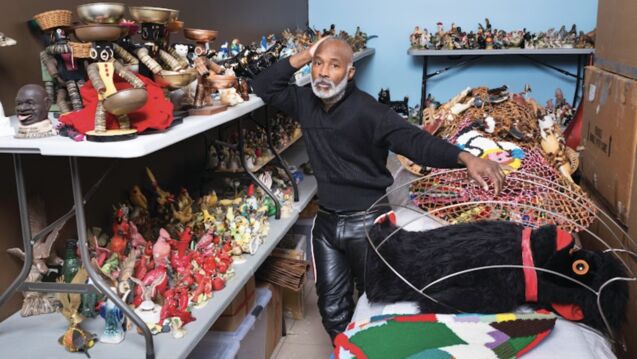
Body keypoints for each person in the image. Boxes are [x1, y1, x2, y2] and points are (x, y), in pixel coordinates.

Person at [252, 37, 507, 341]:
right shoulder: (305, 102)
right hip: (327, 224)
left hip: (368, 223)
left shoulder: (370, 112)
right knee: (332, 309)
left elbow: (416, 141)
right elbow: (264, 85)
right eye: (318, 64)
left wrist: (464, 157)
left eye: (334, 65)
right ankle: (346, 350)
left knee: (380, 303)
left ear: (349, 72)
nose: (322, 72)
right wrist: (308, 52)